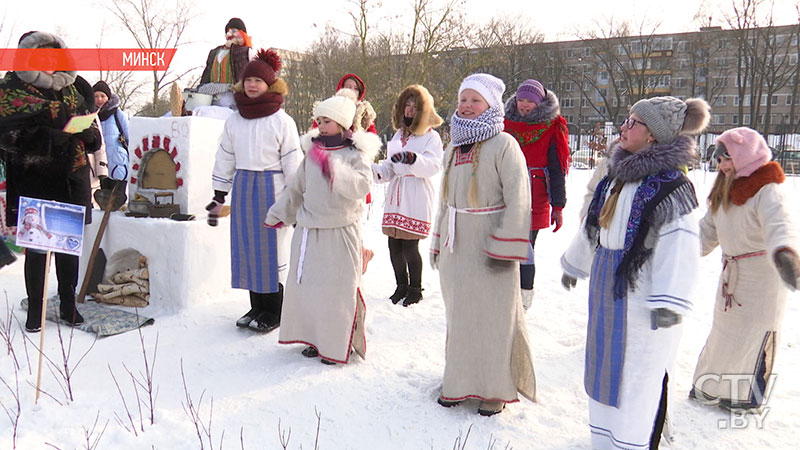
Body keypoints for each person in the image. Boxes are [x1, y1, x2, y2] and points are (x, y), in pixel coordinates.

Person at [560, 96, 710, 449]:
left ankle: (633, 442)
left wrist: (670, 301)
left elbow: (680, 243)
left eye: (634, 123)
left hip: (644, 297)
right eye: (626, 121)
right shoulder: (616, 176)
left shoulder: (671, 186)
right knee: (604, 372)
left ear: (654, 136)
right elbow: (594, 226)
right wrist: (576, 263)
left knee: (636, 378)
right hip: (606, 287)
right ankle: (604, 440)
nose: (623, 128)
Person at [430, 73, 535, 416]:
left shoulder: (504, 144)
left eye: (475, 100)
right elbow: (444, 201)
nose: (467, 106)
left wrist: (506, 246)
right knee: (459, 316)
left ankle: (494, 389)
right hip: (456, 246)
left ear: (490, 104)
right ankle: (459, 382)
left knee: (493, 319)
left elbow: (520, 198)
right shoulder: (453, 146)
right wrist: (436, 240)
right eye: (463, 100)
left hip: (491, 247)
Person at [265, 90, 381, 365]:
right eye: (319, 120)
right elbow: (296, 188)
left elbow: (362, 186)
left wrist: (335, 169)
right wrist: (279, 213)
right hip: (309, 230)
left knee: (337, 291)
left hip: (340, 232)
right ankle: (316, 339)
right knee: (312, 289)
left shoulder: (356, 154)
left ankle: (337, 343)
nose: (321, 125)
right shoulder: (312, 153)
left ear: (342, 123)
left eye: (327, 120)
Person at [690, 127, 799, 410]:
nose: (722, 166)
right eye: (719, 160)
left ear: (744, 155)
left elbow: (780, 224)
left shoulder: (767, 189)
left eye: (727, 159)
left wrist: (786, 255)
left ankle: (744, 398)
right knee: (724, 334)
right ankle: (710, 389)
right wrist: (678, 253)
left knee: (753, 336)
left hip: (763, 278)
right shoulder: (725, 187)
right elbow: (706, 233)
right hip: (732, 276)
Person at [0, 31, 102, 332]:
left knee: (68, 247)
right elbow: (6, 136)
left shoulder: (75, 89)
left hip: (71, 178)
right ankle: (36, 308)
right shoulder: (11, 90)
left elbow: (94, 136)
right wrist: (45, 137)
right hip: (36, 179)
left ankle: (68, 304)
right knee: (38, 248)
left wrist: (86, 134)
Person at [207, 49, 301, 332]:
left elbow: (292, 162)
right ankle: (257, 306)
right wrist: (219, 193)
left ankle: (274, 310)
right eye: (248, 80)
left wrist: (292, 202)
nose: (252, 85)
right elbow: (226, 156)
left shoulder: (282, 121)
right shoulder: (234, 120)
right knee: (249, 249)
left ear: (269, 85)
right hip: (245, 187)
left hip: (272, 190)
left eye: (258, 81)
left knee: (271, 251)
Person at [372, 84, 443, 306]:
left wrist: (412, 159)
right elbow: (390, 167)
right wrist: (374, 169)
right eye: (406, 105)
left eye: (414, 105)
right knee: (393, 245)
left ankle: (415, 288)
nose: (409, 109)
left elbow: (433, 166)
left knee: (410, 245)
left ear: (423, 109)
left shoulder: (431, 137)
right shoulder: (398, 135)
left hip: (416, 194)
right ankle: (400, 285)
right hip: (397, 194)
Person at [503, 79, 570, 311]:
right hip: (504, 193)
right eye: (521, 100)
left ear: (539, 102)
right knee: (502, 245)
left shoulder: (552, 127)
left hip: (535, 195)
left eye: (530, 101)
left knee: (525, 247)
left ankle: (524, 295)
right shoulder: (504, 124)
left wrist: (558, 206)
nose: (524, 105)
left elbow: (557, 168)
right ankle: (503, 292)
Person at [197, 18, 254, 109]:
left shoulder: (247, 52)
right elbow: (207, 74)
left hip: (233, 100)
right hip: (211, 99)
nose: (230, 34)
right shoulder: (214, 52)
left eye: (234, 31)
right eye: (228, 31)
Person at [93, 80, 129, 198]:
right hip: (99, 164)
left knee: (118, 198)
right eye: (96, 96)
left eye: (102, 96)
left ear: (108, 97)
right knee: (102, 199)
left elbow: (130, 136)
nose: (99, 99)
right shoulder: (89, 115)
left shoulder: (118, 114)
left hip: (117, 161)